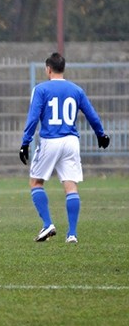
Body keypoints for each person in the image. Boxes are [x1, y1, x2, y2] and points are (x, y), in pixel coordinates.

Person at [20, 52, 110, 243]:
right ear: (63, 68)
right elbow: (92, 114)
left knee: (36, 182)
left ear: (48, 69)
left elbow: (33, 117)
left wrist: (25, 142)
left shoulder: (41, 89)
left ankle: (47, 224)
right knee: (71, 187)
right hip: (71, 142)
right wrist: (101, 134)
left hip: (50, 140)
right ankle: (72, 234)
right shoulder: (76, 90)